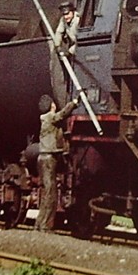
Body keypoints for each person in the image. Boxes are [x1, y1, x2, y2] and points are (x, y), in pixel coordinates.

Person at [35, 93, 77, 231]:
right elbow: (62, 114)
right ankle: (45, 226)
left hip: (44, 158)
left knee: (48, 192)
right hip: (48, 159)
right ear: (51, 106)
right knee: (50, 194)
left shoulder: (45, 119)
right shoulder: (49, 117)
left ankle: (40, 224)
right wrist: (74, 103)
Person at [49, 1, 79, 107]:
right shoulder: (63, 20)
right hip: (72, 44)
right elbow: (59, 32)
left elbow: (80, 40)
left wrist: (69, 52)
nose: (66, 17)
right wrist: (57, 46)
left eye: (67, 14)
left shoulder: (78, 20)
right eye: (64, 14)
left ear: (73, 12)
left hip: (81, 45)